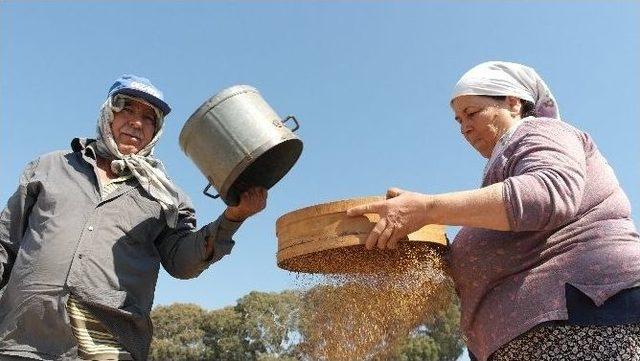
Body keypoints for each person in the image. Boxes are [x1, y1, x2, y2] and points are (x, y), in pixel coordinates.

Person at [348, 61, 640, 361]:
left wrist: (427, 208)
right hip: (528, 337)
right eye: (459, 120)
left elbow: (548, 194)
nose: (464, 128)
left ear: (513, 103)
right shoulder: (500, 177)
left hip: (581, 317)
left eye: (472, 113)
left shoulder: (541, 130)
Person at [0, 75, 268, 361]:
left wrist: (233, 218)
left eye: (149, 118)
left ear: (156, 131)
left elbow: (182, 263)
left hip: (108, 348)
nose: (137, 122)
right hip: (21, 342)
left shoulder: (166, 197)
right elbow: (5, 243)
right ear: (108, 113)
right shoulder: (50, 167)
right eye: (127, 109)